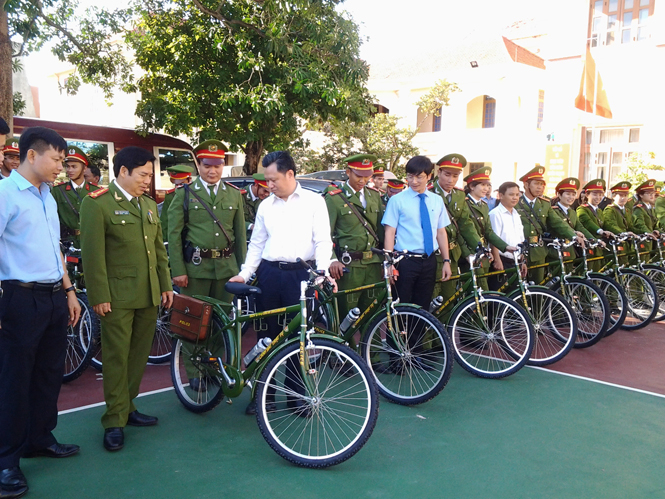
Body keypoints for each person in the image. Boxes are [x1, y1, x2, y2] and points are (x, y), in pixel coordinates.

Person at [0, 127, 82, 499]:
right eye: (56, 159)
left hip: (52, 298)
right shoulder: (4, 194)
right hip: (18, 298)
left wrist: (68, 291)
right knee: (14, 380)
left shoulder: (48, 196)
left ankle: (39, 438)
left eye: (64, 160)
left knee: (49, 373)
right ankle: (7, 462)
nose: (61, 167)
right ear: (31, 156)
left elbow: (55, 249)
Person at [80, 146, 173, 452]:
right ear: (123, 172)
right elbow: (93, 257)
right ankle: (113, 420)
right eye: (143, 174)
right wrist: (99, 295)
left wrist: (165, 285)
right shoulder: (98, 204)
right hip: (116, 297)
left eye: (150, 174)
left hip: (147, 294)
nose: (148, 180)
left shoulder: (147, 205)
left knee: (138, 355)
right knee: (117, 358)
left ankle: (127, 407)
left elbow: (158, 251)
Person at [228, 151, 334, 415]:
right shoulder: (266, 206)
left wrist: (321, 272)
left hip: (302, 276)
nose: (269, 185)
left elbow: (323, 240)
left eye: (273, 179)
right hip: (269, 275)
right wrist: (245, 273)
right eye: (266, 180)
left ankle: (297, 396)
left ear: (290, 174)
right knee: (266, 337)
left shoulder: (313, 202)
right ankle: (265, 395)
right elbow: (257, 244)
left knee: (300, 338)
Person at [167, 141, 246, 391]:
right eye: (207, 165)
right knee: (194, 322)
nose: (212, 171)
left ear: (223, 165)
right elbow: (174, 234)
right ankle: (195, 370)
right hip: (195, 269)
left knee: (221, 323)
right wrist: (178, 270)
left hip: (226, 268)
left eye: (218, 165)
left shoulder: (234, 194)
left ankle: (213, 366)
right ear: (198, 165)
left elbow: (240, 236)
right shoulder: (184, 194)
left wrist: (243, 271)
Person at [382, 155, 452, 309]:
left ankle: (417, 334)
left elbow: (441, 232)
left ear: (429, 176)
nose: (414, 181)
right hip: (405, 261)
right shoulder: (397, 200)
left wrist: (446, 261)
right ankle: (397, 334)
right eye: (410, 176)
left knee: (423, 306)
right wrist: (388, 264)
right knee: (400, 307)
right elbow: (389, 232)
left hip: (429, 260)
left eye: (419, 177)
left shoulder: (436, 200)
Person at [326, 154, 384, 321]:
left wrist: (383, 260)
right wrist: (332, 259)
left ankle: (370, 347)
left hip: (372, 264)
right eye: (359, 175)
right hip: (349, 266)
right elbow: (325, 233)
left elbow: (379, 231)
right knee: (346, 315)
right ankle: (345, 347)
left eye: (367, 176)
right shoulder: (335, 198)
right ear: (348, 172)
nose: (363, 180)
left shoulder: (374, 196)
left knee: (372, 314)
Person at [516, 165, 580, 284]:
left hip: (538, 251)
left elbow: (558, 223)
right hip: (519, 250)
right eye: (536, 183)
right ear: (526, 185)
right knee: (518, 287)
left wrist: (573, 235)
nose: (540, 187)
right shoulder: (516, 203)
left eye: (542, 184)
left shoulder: (545, 204)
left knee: (538, 286)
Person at [431, 153, 481, 300]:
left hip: (452, 253)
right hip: (433, 254)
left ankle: (446, 323)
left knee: (449, 296)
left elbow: (465, 223)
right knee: (433, 295)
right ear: (438, 172)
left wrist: (479, 245)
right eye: (447, 174)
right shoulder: (428, 192)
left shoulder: (459, 195)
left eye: (455, 175)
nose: (450, 180)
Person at [463, 167, 516, 289]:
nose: (486, 189)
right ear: (472, 186)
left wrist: (505, 247)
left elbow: (488, 231)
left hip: (484, 254)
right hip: (471, 254)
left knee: (483, 291)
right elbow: (462, 231)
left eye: (488, 185)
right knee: (476, 292)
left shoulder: (483, 205)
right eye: (482, 185)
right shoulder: (465, 204)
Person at [51, 146, 101, 248]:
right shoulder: (58, 190)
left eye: (74, 167)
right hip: (66, 243)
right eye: (68, 166)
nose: (69, 170)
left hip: (91, 243)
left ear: (84, 168)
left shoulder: (96, 191)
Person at [488, 182, 527, 290]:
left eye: (517, 195)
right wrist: (497, 260)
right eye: (511, 195)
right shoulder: (495, 214)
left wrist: (522, 260)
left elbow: (520, 238)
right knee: (500, 296)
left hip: (516, 260)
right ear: (500, 195)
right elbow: (493, 239)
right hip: (502, 260)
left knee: (514, 295)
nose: (515, 198)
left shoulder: (516, 213)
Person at [160, 164, 196, 242]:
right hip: (176, 235)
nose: (178, 187)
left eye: (181, 183)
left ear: (189, 179)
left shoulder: (197, 194)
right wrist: (165, 239)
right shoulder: (171, 195)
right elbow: (165, 219)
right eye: (176, 184)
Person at [632, 179, 660, 254]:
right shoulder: (639, 208)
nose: (651, 195)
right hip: (642, 241)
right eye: (648, 193)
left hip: (650, 240)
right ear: (641, 195)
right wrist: (648, 232)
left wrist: (659, 231)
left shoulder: (650, 208)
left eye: (652, 193)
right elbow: (639, 224)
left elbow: (654, 224)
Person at [243, 173, 270, 238]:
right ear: (256, 185)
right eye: (265, 191)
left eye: (269, 192)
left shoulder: (266, 199)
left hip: (260, 238)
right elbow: (232, 220)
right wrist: (251, 226)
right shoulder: (239, 196)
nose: (267, 194)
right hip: (244, 238)